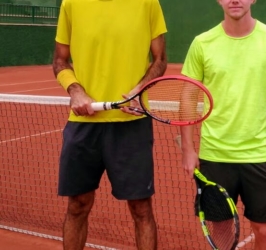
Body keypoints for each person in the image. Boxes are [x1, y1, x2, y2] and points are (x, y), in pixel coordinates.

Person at [180, 0, 266, 249]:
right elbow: (188, 96)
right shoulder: (202, 43)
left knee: (264, 230)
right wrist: (188, 149)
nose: (235, 0)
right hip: (214, 155)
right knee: (220, 227)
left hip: (259, 154)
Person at [52, 0, 167, 249]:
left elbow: (159, 60)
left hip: (132, 124)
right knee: (77, 205)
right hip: (84, 124)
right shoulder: (71, 3)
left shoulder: (148, 3)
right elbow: (60, 60)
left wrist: (140, 89)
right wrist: (75, 90)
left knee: (141, 209)